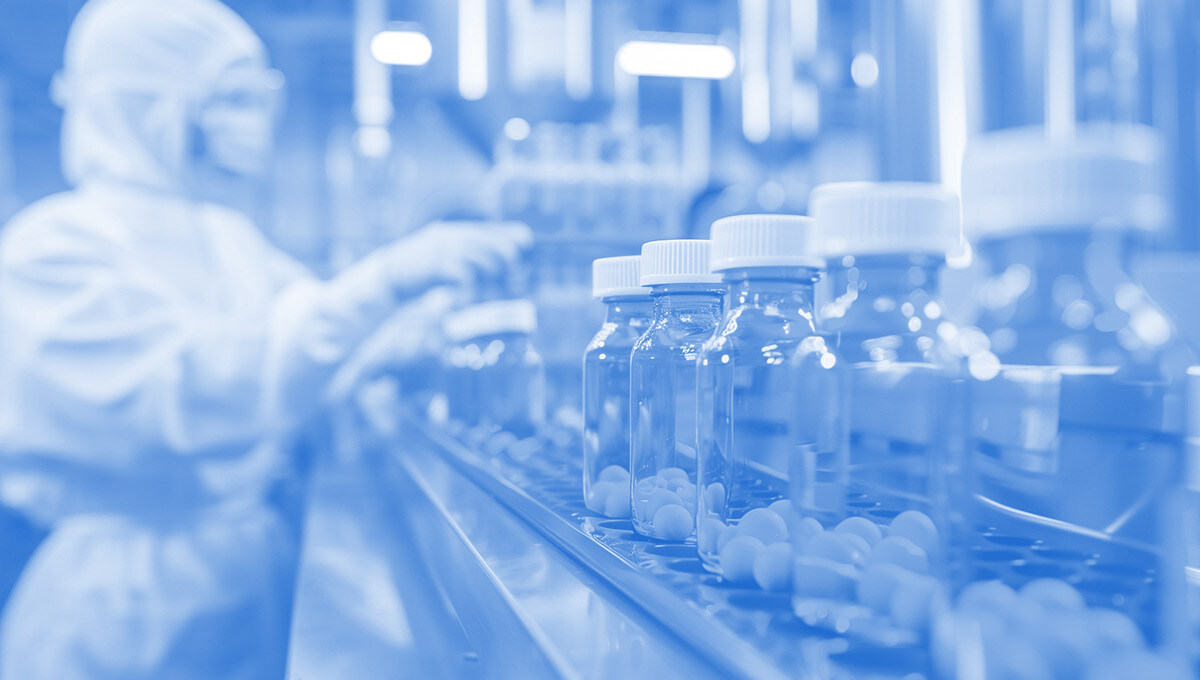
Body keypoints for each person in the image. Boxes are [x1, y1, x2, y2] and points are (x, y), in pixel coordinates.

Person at [0, 0, 531, 678]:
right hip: (120, 607)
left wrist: (407, 340)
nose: (252, 122)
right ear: (152, 107)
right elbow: (192, 395)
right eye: (230, 99)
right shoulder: (53, 247)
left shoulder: (229, 239)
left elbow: (313, 365)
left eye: (259, 97)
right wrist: (383, 282)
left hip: (248, 575)